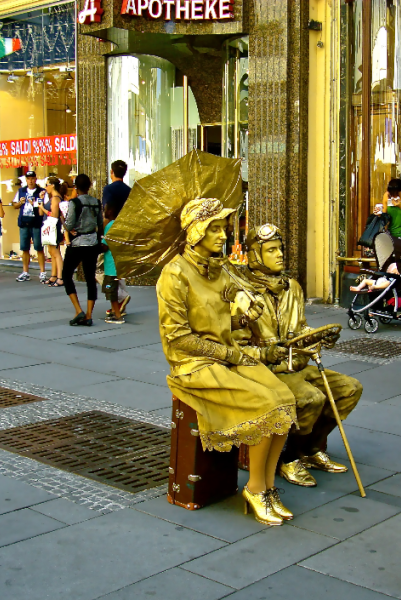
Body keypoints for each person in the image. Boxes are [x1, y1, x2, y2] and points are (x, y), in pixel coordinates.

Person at [157, 199, 297, 526]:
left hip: (228, 356)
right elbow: (178, 339)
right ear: (196, 232)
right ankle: (256, 487)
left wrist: (244, 318)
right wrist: (231, 352)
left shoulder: (219, 272)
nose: (224, 235)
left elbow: (221, 321)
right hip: (195, 365)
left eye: (224, 227)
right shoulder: (174, 274)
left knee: (285, 399)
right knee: (266, 406)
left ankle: (269, 486)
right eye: (215, 228)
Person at [234, 224, 362, 488]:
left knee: (349, 389)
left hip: (298, 363)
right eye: (271, 250)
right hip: (268, 370)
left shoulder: (292, 287)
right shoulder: (242, 293)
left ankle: (311, 449)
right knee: (309, 399)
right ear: (255, 255)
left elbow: (300, 328)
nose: (280, 254)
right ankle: (289, 458)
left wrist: (316, 336)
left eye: (280, 249)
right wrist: (266, 353)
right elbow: (236, 347)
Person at [62, 174, 103, 327]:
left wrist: (66, 225)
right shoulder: (96, 202)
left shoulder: (74, 203)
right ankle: (89, 314)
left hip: (78, 243)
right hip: (92, 243)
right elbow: (100, 223)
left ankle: (78, 309)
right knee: (90, 278)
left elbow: (69, 223)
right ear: (90, 186)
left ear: (76, 187)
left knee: (66, 274)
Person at [375, 178, 401, 317]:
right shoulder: (387, 196)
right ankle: (389, 302)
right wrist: (380, 214)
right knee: (388, 270)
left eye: (395, 193)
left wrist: (400, 206)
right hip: (392, 239)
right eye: (391, 194)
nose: (393, 196)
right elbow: (386, 218)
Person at [101, 160, 131, 317]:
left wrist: (102, 230)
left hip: (111, 230)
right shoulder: (129, 190)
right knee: (119, 267)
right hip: (125, 230)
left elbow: (106, 210)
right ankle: (120, 303)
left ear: (111, 172)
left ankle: (120, 298)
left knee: (105, 269)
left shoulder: (109, 189)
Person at [12, 171, 47, 283]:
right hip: (24, 222)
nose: (30, 181)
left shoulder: (41, 191)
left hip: (36, 222)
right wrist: (20, 203)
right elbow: (14, 205)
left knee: (39, 247)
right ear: (26, 180)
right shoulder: (21, 191)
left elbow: (44, 207)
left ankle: (42, 272)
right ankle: (25, 271)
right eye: (28, 179)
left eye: (32, 178)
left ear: (35, 179)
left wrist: (35, 203)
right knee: (24, 248)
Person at [38, 177, 65, 287]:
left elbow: (54, 214)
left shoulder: (56, 198)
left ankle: (60, 277)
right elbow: (41, 213)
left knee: (55, 252)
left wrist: (42, 208)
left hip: (53, 226)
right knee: (51, 251)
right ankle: (54, 275)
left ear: (52, 185)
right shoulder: (51, 198)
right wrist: (41, 200)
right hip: (49, 226)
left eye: (47, 184)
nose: (46, 187)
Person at [101, 204, 125, 324]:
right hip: (116, 264)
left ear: (110, 211)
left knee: (111, 291)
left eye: (105, 209)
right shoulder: (118, 225)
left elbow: (105, 246)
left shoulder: (109, 226)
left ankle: (117, 314)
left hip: (111, 265)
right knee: (111, 290)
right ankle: (115, 312)